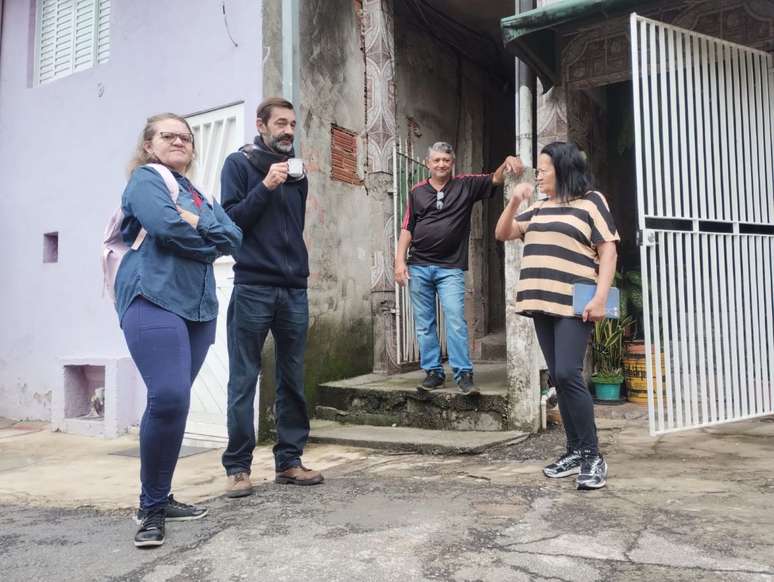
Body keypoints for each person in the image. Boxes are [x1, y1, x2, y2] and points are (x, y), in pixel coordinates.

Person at [115, 113, 242, 547]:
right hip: (151, 295)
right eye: (168, 135)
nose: (180, 141)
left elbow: (236, 237)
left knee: (174, 404)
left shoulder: (200, 193)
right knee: (168, 396)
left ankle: (161, 496)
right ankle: (149, 508)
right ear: (149, 145)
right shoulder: (146, 179)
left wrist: (197, 221)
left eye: (186, 137)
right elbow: (165, 226)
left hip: (200, 306)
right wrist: (206, 236)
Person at [494, 141, 619, 490]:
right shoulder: (539, 207)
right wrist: (515, 201)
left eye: (544, 168)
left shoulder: (592, 201)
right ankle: (575, 451)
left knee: (568, 372)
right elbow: (502, 233)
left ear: (562, 169)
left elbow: (607, 250)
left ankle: (593, 456)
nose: (540, 174)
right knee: (559, 379)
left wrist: (600, 297)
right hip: (540, 301)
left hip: (575, 302)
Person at [220, 97, 323, 497]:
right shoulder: (238, 164)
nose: (289, 131)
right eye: (281, 123)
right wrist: (265, 186)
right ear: (261, 124)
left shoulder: (297, 173)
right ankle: (238, 468)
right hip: (253, 286)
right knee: (244, 378)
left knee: (292, 377)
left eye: (293, 124)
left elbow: (293, 227)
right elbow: (231, 222)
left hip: (294, 286)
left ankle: (290, 462)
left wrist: (285, 181)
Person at [394, 142, 524, 395]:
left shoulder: (465, 185)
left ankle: (463, 373)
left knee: (455, 319)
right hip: (418, 266)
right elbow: (407, 227)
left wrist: (507, 159)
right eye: (436, 160)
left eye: (446, 160)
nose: (441, 164)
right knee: (424, 324)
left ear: (452, 163)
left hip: (450, 268)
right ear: (427, 163)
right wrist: (399, 261)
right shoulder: (417, 191)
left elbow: (494, 179)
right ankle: (433, 373)